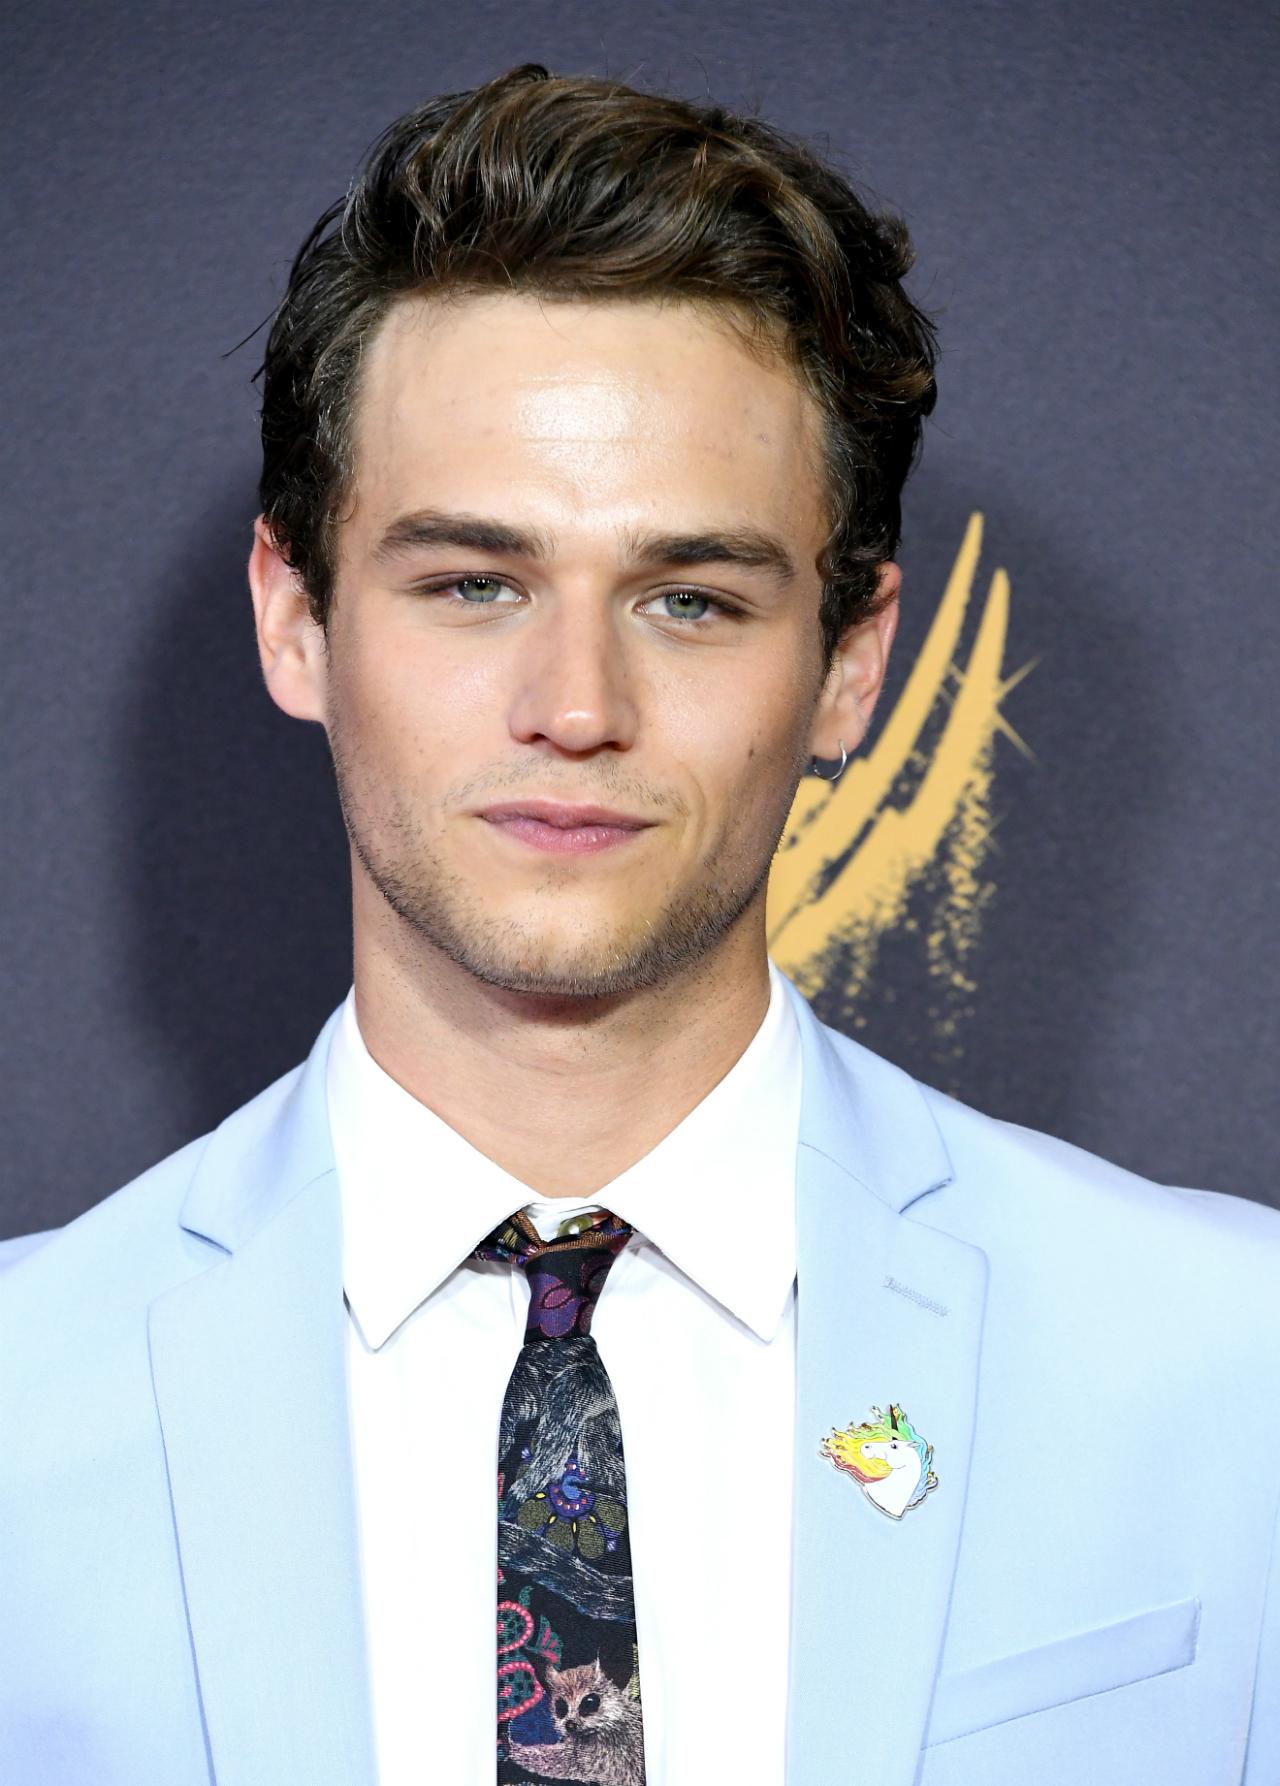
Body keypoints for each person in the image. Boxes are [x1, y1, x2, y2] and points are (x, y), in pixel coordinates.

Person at [1, 61, 1276, 1786]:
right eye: (473, 583)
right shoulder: (26, 1411)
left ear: (848, 660)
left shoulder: (1230, 1371)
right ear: (295, 621)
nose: (576, 704)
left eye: (690, 596)